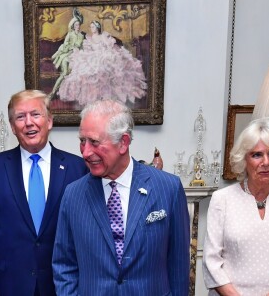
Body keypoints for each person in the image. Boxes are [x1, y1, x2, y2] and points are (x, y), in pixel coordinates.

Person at [52, 99, 190, 295]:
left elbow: (179, 266)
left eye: (94, 142)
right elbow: (64, 265)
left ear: (123, 142)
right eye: (82, 141)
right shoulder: (73, 195)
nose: (85, 152)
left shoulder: (168, 188)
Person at [0, 90, 88, 296]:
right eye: (20, 117)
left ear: (49, 121)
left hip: (63, 287)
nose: (29, 123)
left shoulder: (79, 169)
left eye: (35, 114)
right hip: (8, 285)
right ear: (12, 127)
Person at [203, 119, 269, 296]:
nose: (266, 162)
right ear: (244, 159)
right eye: (257, 155)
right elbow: (211, 261)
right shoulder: (222, 199)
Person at [57, 21, 147, 106]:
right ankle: (91, 94)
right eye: (91, 27)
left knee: (105, 67)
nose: (91, 28)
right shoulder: (89, 38)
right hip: (93, 56)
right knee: (84, 70)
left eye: (93, 27)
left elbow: (109, 46)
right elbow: (88, 49)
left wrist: (105, 52)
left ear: (97, 27)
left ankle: (105, 94)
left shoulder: (103, 36)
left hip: (103, 55)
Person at [49, 8, 85, 98]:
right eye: (76, 25)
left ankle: (76, 94)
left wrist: (80, 51)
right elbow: (65, 44)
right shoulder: (70, 34)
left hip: (77, 56)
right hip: (68, 54)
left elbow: (82, 47)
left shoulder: (81, 36)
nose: (78, 26)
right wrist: (71, 48)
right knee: (64, 73)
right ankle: (52, 93)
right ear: (73, 26)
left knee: (79, 72)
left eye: (79, 25)